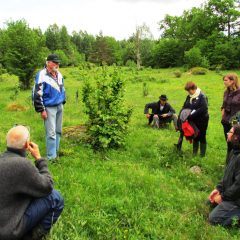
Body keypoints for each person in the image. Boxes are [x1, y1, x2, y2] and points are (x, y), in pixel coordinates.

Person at [0, 125, 64, 240]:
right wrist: (39, 159)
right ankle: (30, 236)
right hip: (9, 232)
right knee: (55, 197)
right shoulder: (22, 165)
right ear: (27, 144)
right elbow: (47, 186)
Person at [33, 54, 66, 161]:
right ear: (48, 63)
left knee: (58, 131)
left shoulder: (59, 74)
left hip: (59, 106)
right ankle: (51, 158)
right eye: (55, 62)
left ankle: (55, 152)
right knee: (51, 133)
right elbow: (37, 93)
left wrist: (63, 101)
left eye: (58, 62)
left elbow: (62, 88)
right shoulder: (41, 75)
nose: (57, 64)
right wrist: (41, 110)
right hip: (49, 107)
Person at [208, 124, 240, 227]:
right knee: (209, 202)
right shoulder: (233, 152)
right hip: (230, 194)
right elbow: (226, 175)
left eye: (230, 132)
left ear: (236, 136)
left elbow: (238, 186)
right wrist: (218, 189)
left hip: (237, 199)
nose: (227, 133)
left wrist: (223, 196)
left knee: (214, 219)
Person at [181, 81, 209, 157]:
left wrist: (191, 116)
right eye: (187, 91)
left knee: (202, 136)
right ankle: (194, 153)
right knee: (195, 135)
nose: (188, 92)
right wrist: (182, 114)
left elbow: (204, 108)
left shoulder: (202, 96)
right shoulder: (189, 96)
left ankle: (202, 155)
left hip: (202, 119)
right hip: (193, 120)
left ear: (193, 88)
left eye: (189, 90)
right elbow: (185, 105)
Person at [221, 73, 240, 154]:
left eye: (226, 80)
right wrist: (223, 116)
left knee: (235, 145)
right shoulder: (226, 92)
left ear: (232, 81)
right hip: (226, 121)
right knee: (228, 142)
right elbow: (223, 106)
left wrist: (235, 124)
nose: (224, 82)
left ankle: (235, 165)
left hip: (236, 121)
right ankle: (228, 164)